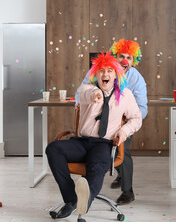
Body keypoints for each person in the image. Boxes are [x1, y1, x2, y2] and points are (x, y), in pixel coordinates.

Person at [46, 52, 142, 219]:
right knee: (53, 148)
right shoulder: (87, 89)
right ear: (95, 74)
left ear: (116, 74)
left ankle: (85, 201)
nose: (105, 74)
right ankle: (71, 199)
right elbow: (86, 94)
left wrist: (124, 131)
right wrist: (95, 95)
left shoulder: (126, 95)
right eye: (101, 70)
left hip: (103, 144)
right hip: (81, 142)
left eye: (110, 70)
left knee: (96, 167)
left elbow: (136, 119)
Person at [76, 39, 147, 205]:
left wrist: (125, 125)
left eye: (129, 58)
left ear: (134, 61)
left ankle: (128, 191)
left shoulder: (136, 78)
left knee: (123, 150)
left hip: (122, 122)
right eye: (121, 56)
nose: (124, 61)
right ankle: (112, 177)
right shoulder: (98, 71)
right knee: (99, 146)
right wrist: (81, 106)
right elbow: (81, 92)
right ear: (114, 56)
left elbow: (142, 108)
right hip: (96, 122)